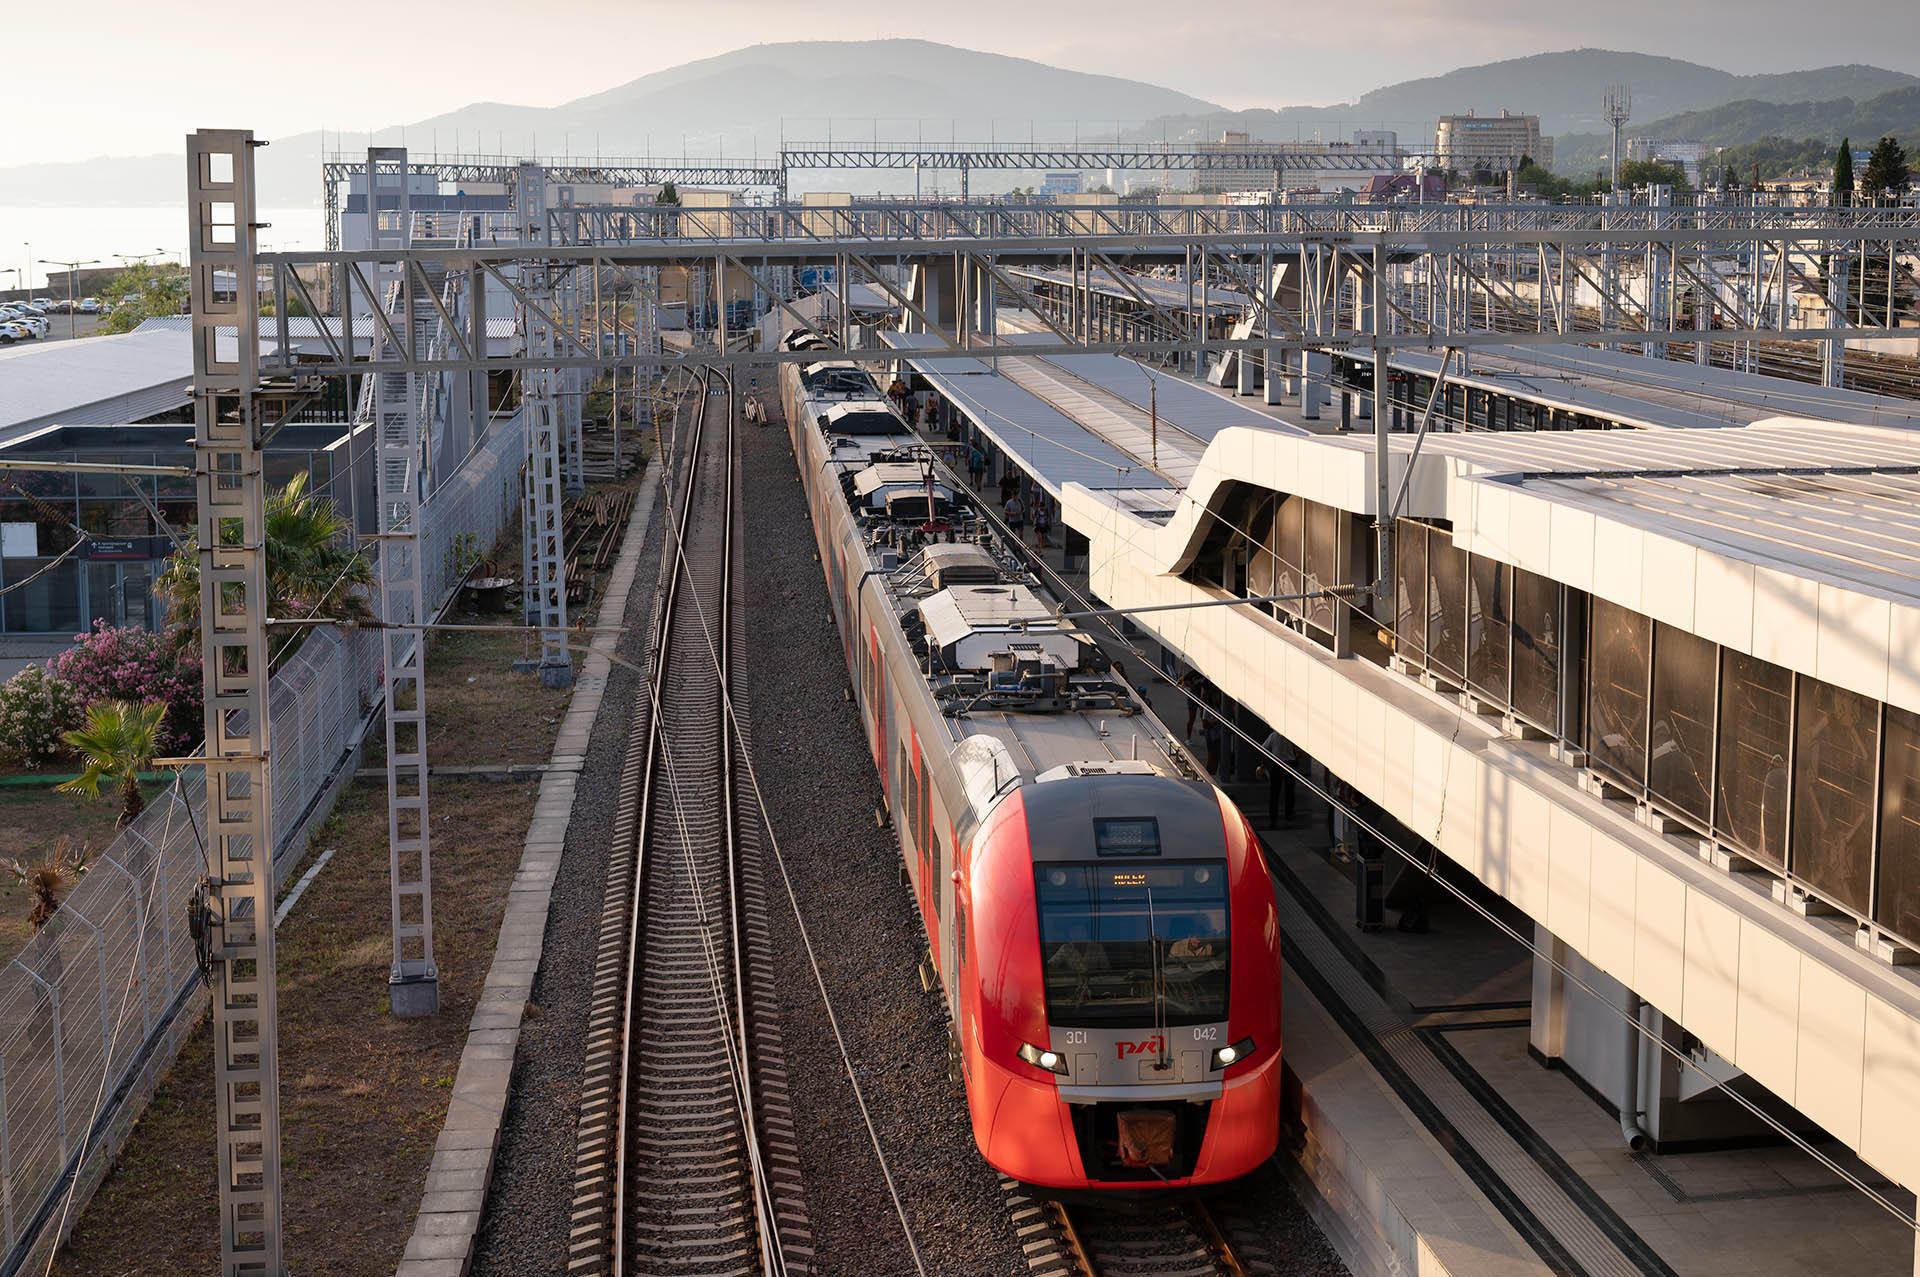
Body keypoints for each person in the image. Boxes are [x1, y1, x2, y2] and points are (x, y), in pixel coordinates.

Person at [1254, 730, 1298, 827]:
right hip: (1289, 764)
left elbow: (1263, 749)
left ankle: (1273, 818)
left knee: (1274, 793)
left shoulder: (1273, 736)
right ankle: (1289, 815)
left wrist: (1264, 764)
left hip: (1277, 765)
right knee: (1290, 791)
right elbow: (1298, 751)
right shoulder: (1290, 735)